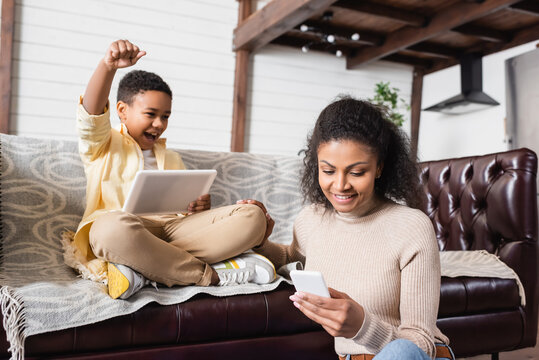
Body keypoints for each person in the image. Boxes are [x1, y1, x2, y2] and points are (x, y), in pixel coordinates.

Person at [245, 97, 454, 359]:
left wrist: (362, 327)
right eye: (328, 170)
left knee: (400, 351)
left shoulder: (412, 227)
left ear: (379, 168)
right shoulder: (312, 219)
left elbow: (420, 344)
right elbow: (288, 259)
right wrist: (256, 236)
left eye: (356, 172)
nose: (340, 185)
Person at [66, 39, 276, 300]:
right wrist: (108, 66)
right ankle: (209, 274)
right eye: (151, 114)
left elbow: (186, 218)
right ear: (122, 110)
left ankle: (144, 266)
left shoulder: (173, 158)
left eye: (165, 116)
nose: (159, 124)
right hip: (126, 228)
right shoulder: (103, 145)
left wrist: (198, 208)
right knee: (107, 230)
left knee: (252, 216)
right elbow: (91, 113)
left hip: (173, 229)